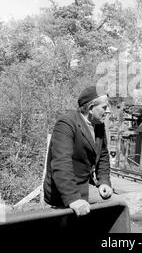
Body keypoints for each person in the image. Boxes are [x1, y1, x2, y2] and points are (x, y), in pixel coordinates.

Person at [43, 86, 115, 216]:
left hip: (85, 186)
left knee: (116, 204)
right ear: (91, 108)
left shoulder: (98, 125)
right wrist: (73, 198)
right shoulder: (66, 124)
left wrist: (104, 181)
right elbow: (61, 163)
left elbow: (103, 155)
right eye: (104, 107)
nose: (108, 111)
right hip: (63, 190)